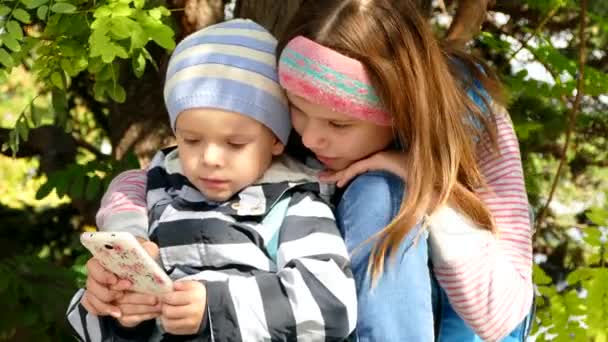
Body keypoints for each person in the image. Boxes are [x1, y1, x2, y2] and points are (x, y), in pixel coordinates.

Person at [89, 0, 534, 340]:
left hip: (464, 324)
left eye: (339, 124)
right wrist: (129, 236)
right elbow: (156, 171)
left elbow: (501, 314)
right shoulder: (303, 110)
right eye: (298, 112)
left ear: (399, 109)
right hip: (310, 314)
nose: (314, 139)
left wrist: (422, 179)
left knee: (378, 192)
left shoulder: (471, 121)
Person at [66, 19, 357, 341]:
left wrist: (214, 309)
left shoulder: (294, 203)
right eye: (191, 140)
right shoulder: (154, 201)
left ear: (276, 139)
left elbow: (332, 304)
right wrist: (121, 316)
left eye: (235, 144)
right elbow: (89, 327)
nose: (210, 159)